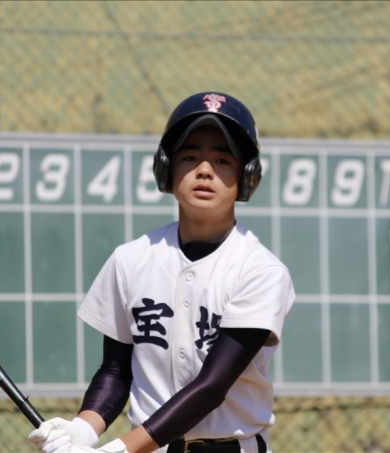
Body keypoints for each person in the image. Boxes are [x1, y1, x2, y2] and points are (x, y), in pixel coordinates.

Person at [28, 92, 295, 453]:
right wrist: (83, 429)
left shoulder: (261, 271)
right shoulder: (131, 259)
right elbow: (116, 372)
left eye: (223, 159)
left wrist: (121, 449)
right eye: (189, 157)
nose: (204, 170)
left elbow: (212, 387)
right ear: (166, 168)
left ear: (247, 176)